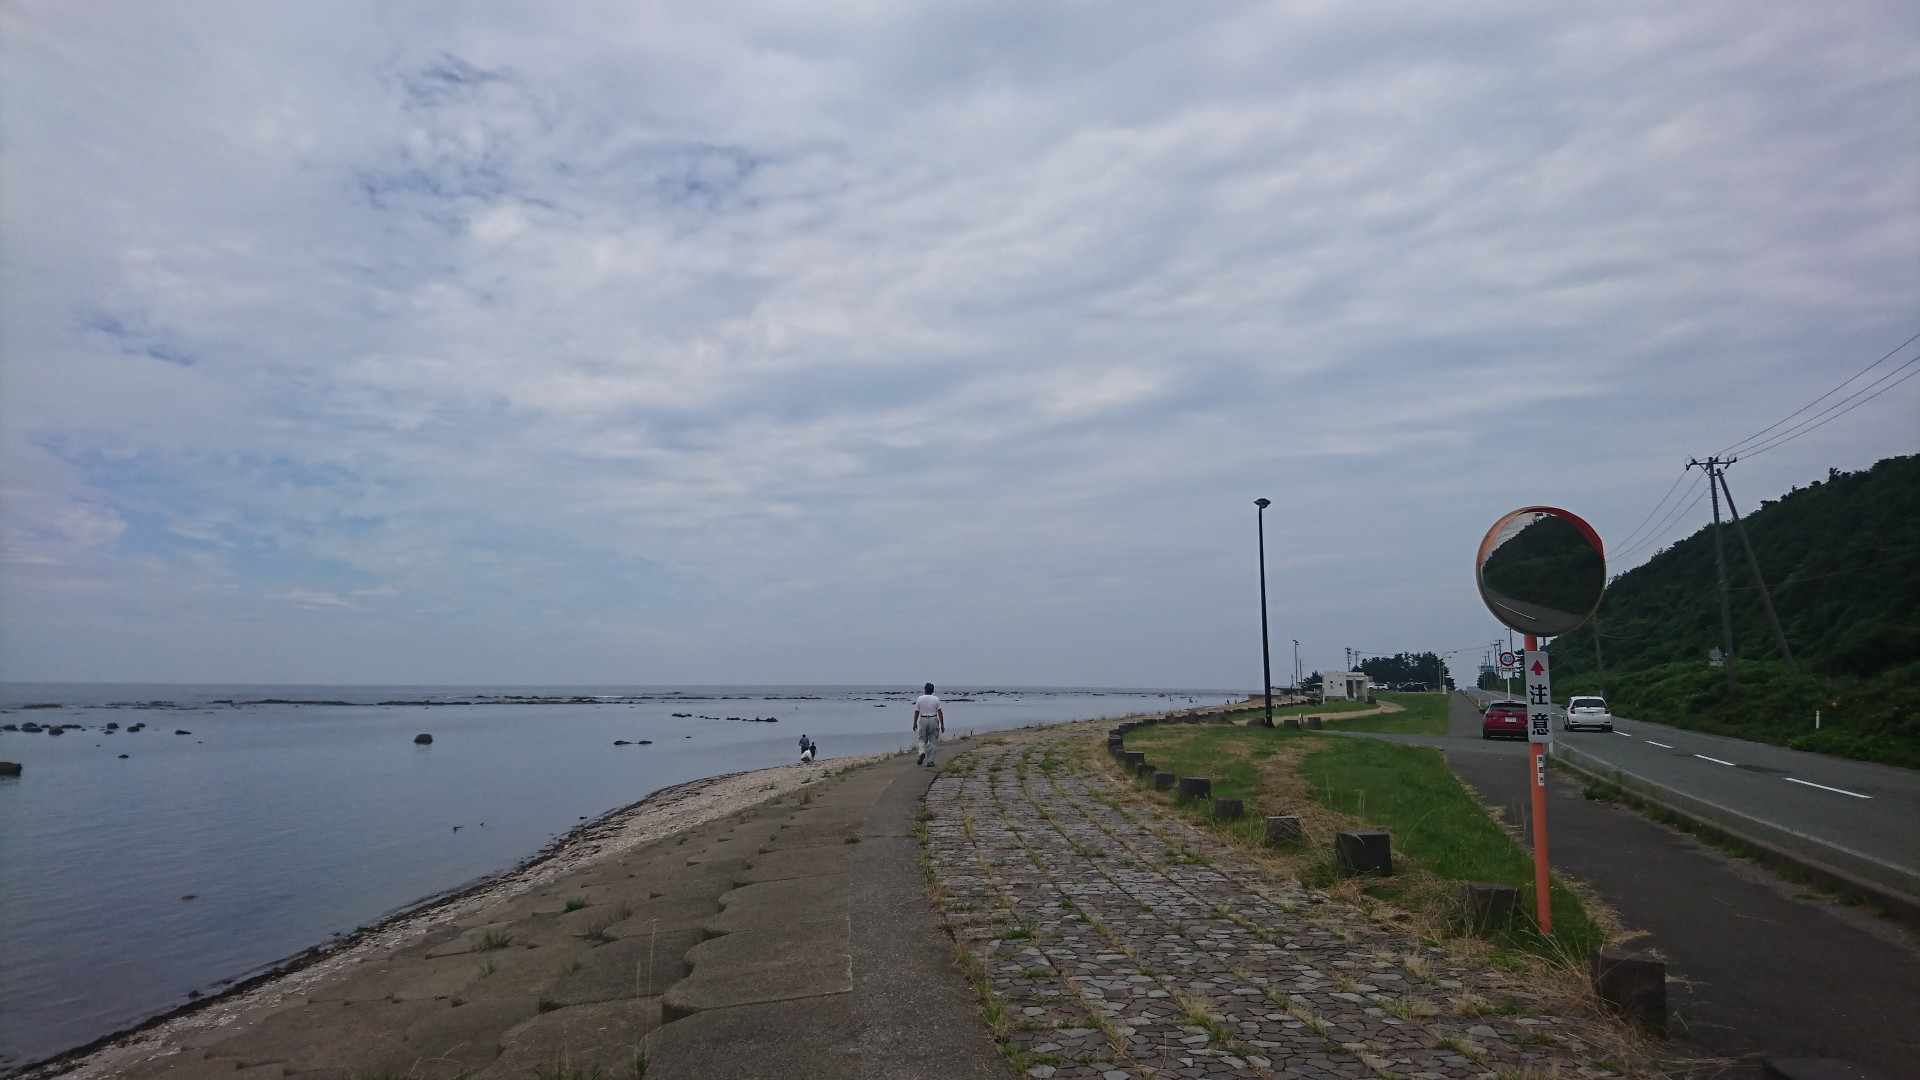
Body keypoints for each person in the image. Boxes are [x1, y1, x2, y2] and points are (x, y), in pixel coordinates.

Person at [912, 683, 944, 767]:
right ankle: (930, 761)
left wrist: (914, 722)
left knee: (922, 739)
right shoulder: (936, 699)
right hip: (933, 719)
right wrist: (942, 724)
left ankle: (921, 752)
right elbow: (940, 712)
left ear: (925, 689)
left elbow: (916, 712)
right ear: (932, 691)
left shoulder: (920, 698)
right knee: (933, 741)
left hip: (923, 719)